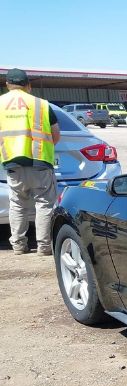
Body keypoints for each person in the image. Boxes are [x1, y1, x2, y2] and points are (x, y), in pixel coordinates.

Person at [0, 68, 61, 255]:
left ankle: (18, 246)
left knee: (17, 204)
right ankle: (43, 247)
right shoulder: (41, 104)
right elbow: (55, 135)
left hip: (12, 162)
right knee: (43, 204)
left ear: (7, 85)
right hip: (40, 161)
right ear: (28, 85)